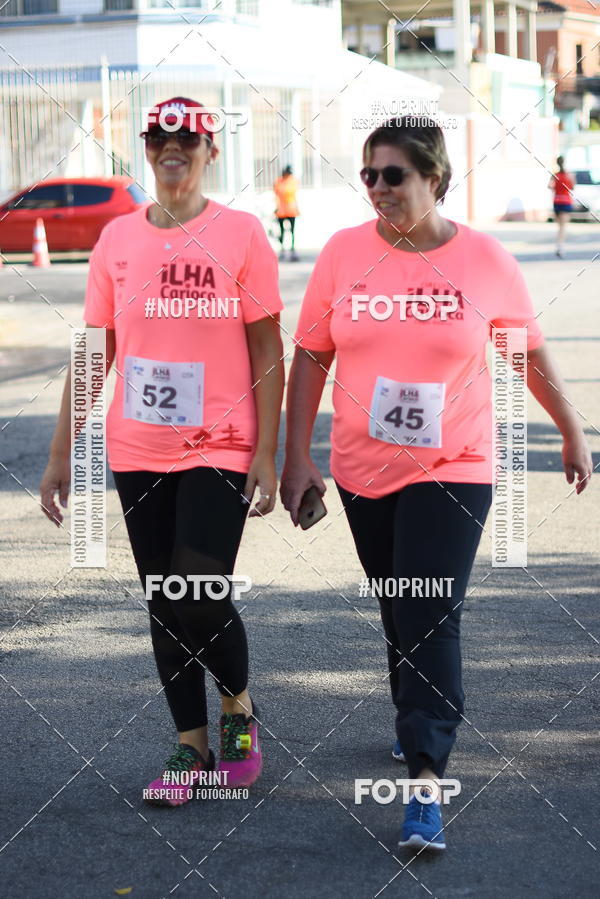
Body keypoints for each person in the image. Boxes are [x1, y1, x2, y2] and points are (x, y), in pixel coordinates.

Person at [281, 117, 592, 850]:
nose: (379, 189)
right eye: (369, 175)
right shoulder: (342, 254)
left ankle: (425, 775)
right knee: (400, 605)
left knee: (428, 608)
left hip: (454, 465)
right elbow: (310, 357)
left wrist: (573, 429)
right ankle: (413, 717)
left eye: (394, 175)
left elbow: (526, 352)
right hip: (362, 468)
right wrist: (298, 455)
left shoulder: (485, 260)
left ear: (435, 180)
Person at [40, 96, 284, 806]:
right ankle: (190, 745)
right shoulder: (117, 240)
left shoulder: (241, 234)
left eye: (187, 138)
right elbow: (94, 353)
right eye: (158, 137)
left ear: (211, 150)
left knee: (196, 590)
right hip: (137, 446)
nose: (171, 147)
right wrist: (62, 451)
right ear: (146, 149)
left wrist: (268, 450)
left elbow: (268, 348)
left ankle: (238, 712)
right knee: (162, 599)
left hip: (221, 442)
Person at [548, 156, 574, 258]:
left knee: (559, 226)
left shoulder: (555, 175)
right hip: (566, 201)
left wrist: (556, 188)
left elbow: (550, 186)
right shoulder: (569, 175)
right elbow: (572, 187)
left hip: (557, 201)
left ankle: (559, 246)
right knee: (563, 227)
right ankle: (560, 247)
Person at [274, 165, 299, 261]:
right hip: (281, 210)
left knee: (292, 231)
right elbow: (276, 195)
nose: (288, 175)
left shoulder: (293, 181)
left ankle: (292, 249)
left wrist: (297, 207)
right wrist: (276, 207)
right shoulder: (278, 182)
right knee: (282, 231)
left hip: (291, 210)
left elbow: (294, 196)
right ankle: (283, 249)